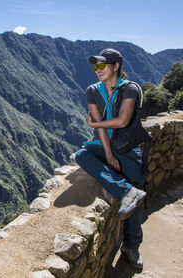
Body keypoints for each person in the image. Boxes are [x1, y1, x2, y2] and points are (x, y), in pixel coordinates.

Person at [75, 48, 147, 269]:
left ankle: (131, 246)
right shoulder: (92, 90)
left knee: (134, 203)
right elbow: (102, 129)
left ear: (116, 66)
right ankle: (126, 191)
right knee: (82, 155)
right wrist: (107, 153)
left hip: (127, 148)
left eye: (102, 65)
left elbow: (122, 121)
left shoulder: (130, 89)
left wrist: (93, 125)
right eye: (95, 66)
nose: (98, 70)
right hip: (105, 145)